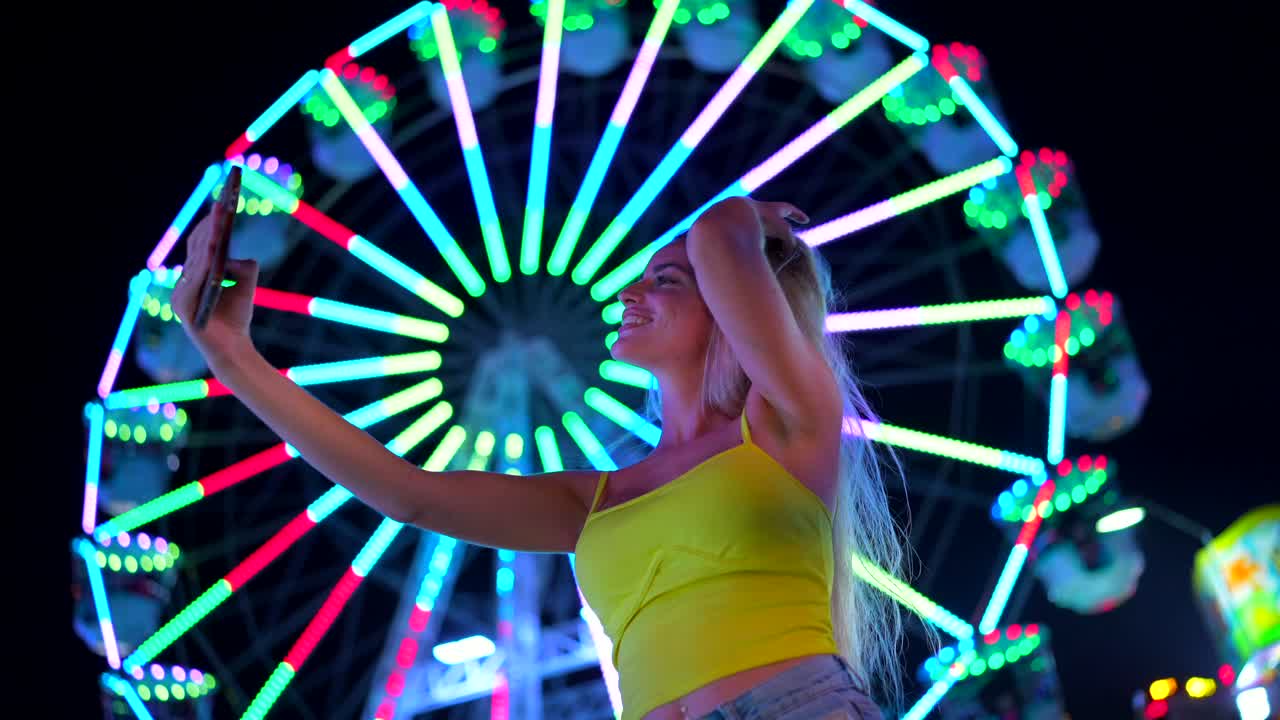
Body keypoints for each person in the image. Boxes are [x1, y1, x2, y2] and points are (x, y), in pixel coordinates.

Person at [173, 195, 914, 720]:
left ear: (728, 306)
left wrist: (739, 220)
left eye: (666, 280)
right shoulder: (599, 496)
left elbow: (721, 238)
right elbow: (410, 495)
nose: (630, 290)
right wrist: (232, 356)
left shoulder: (786, 424)